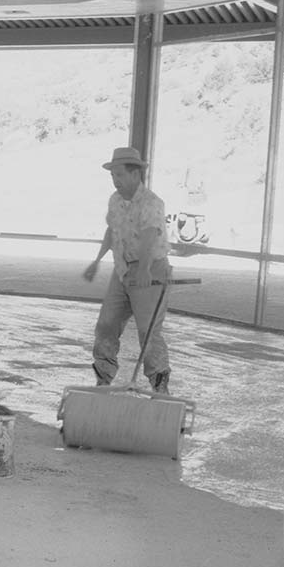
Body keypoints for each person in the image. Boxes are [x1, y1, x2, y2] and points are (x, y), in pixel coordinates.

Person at [82, 146, 172, 394]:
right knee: (106, 324)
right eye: (112, 176)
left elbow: (149, 237)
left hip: (150, 269)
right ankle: (103, 378)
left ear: (135, 174)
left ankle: (159, 384)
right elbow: (112, 231)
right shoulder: (115, 201)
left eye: (119, 175)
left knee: (148, 331)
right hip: (122, 270)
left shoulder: (151, 203)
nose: (115, 181)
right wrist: (97, 261)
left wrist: (144, 270)